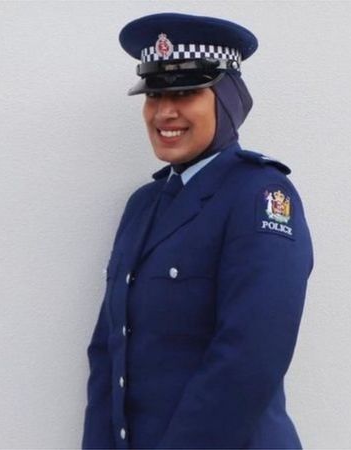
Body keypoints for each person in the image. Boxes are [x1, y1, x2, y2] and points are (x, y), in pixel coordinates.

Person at [82, 12, 314, 449]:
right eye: (154, 94)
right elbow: (108, 355)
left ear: (226, 100)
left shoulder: (259, 196)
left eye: (185, 92)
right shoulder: (142, 206)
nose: (164, 111)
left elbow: (250, 359)